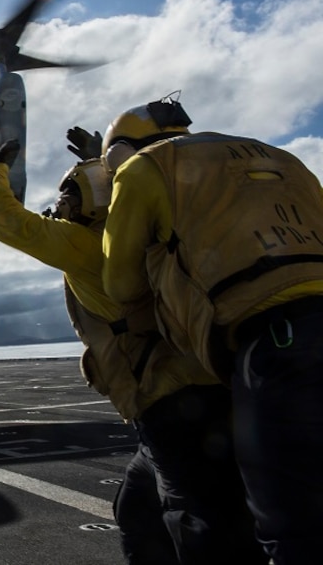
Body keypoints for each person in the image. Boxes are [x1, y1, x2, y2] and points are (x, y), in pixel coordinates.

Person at [0, 136, 261, 564]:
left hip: (173, 406)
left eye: (70, 194)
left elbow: (8, 221)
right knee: (139, 510)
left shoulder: (89, 244)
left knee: (201, 526)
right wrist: (105, 163)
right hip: (205, 394)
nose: (61, 202)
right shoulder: (149, 233)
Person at [101, 96, 323, 564]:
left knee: (291, 530)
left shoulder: (142, 168)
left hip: (278, 345)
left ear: (119, 151)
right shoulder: (282, 157)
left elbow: (119, 283)